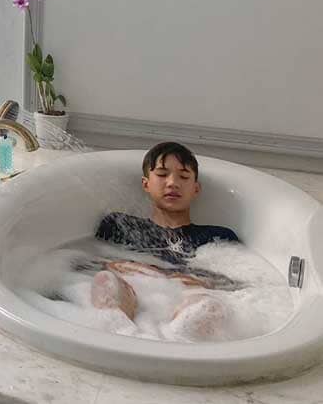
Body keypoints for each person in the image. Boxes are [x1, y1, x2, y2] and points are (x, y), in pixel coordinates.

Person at [89, 142, 240, 340]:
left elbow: (241, 287)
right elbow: (83, 267)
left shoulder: (218, 237)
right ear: (146, 184)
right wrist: (113, 265)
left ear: (196, 189)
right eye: (162, 174)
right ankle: (123, 338)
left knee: (207, 306)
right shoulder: (120, 225)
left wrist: (204, 282)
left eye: (183, 177)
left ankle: (175, 344)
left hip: (187, 303)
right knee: (105, 281)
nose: (172, 183)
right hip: (131, 297)